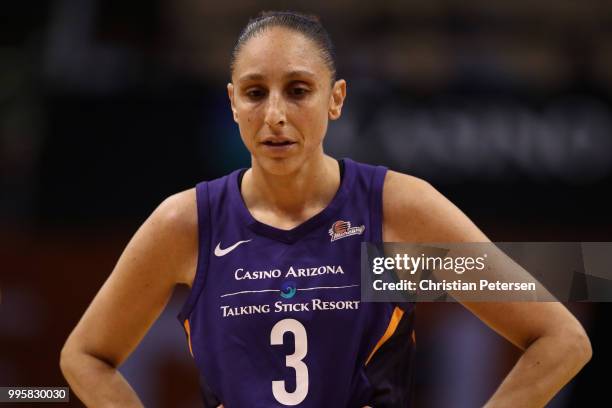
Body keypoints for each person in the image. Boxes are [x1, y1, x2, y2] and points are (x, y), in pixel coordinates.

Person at [60, 11, 592, 408]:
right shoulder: (186, 223)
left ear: (335, 99)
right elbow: (85, 356)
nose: (274, 115)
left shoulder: (398, 209)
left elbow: (561, 338)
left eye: (297, 91)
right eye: (254, 92)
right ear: (231, 102)